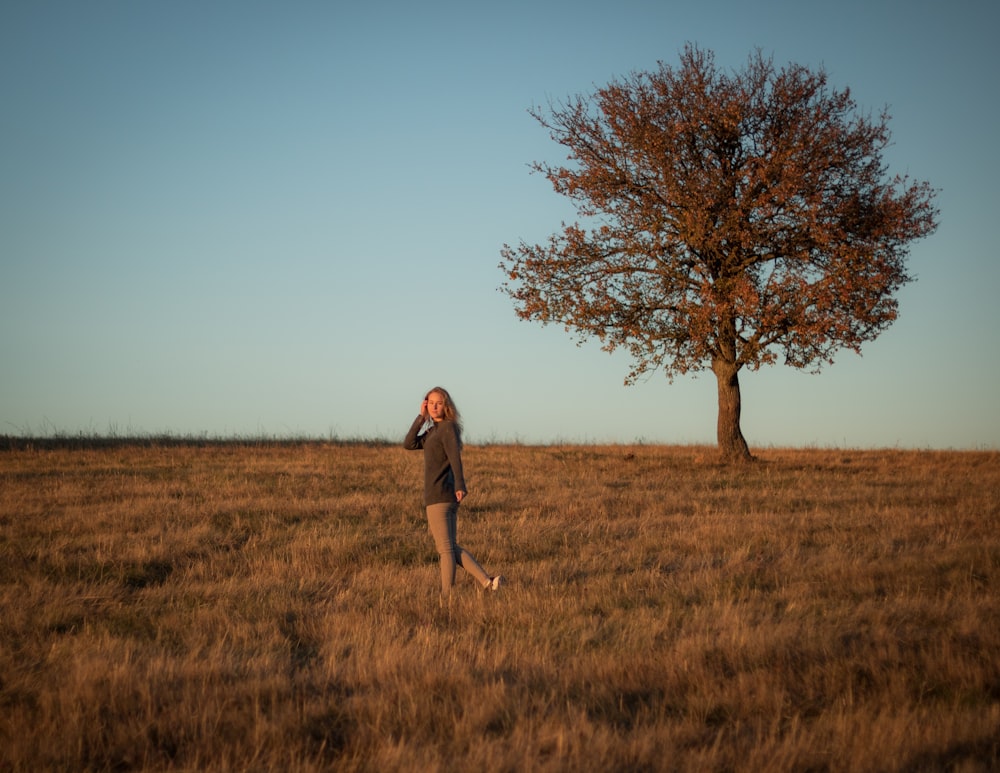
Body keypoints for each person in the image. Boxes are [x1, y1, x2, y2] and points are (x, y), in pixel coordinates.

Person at [403, 386, 505, 596]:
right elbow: (409, 444)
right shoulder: (434, 431)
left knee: (445, 550)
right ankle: (489, 582)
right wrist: (421, 418)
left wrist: (460, 484)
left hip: (441, 494)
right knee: (450, 547)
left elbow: (455, 458)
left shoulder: (447, 428)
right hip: (441, 495)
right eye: (430, 403)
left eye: (438, 403)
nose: (434, 406)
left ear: (446, 405)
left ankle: (447, 597)